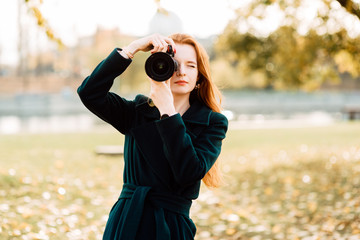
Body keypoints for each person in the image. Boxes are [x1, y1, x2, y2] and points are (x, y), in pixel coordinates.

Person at [77, 33, 228, 240]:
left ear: (200, 75)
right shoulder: (137, 112)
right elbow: (89, 93)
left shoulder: (213, 122)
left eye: (191, 66)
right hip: (127, 221)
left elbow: (189, 172)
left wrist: (167, 110)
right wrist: (132, 49)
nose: (181, 72)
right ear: (161, 65)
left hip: (170, 227)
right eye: (174, 64)